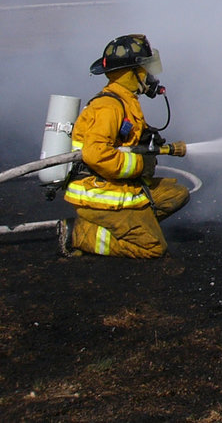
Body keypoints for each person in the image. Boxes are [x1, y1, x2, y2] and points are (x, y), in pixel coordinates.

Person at [57, 34, 189, 257]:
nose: (149, 76)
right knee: (153, 247)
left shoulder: (126, 100)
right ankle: (79, 233)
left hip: (116, 186)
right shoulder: (109, 107)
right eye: (145, 69)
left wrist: (153, 144)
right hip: (99, 194)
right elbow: (96, 155)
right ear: (132, 72)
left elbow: (127, 143)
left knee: (177, 194)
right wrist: (139, 165)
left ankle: (132, 224)